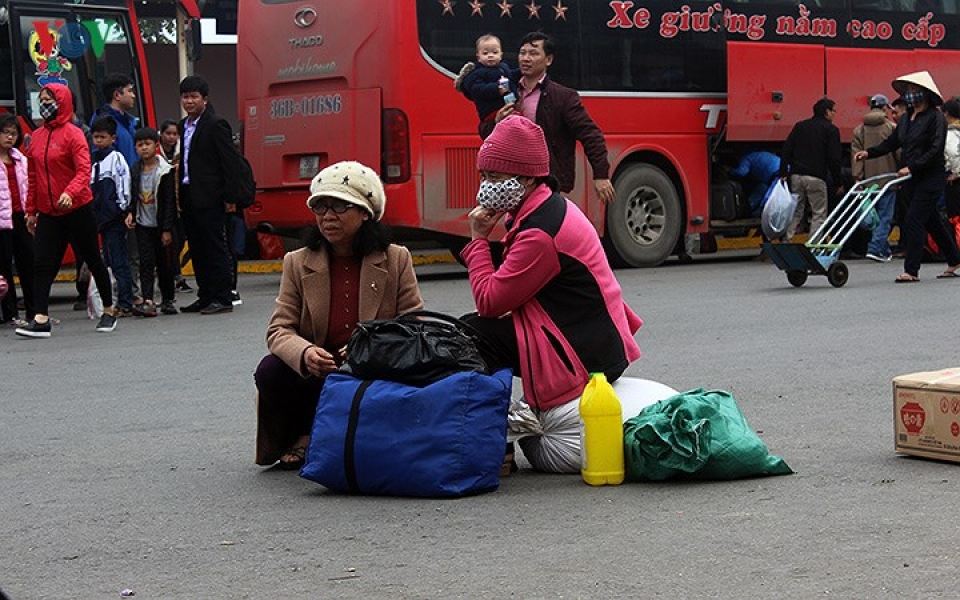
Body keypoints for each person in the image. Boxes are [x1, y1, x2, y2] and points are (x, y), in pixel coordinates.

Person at [460, 115, 642, 473]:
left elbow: (490, 301)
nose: (485, 186)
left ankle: (493, 442)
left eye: (494, 177)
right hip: (591, 341)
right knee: (478, 329)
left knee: (472, 334)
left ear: (526, 178)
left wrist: (478, 239)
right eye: (483, 176)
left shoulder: (540, 231)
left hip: (584, 358)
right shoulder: (543, 209)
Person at [254, 160, 423, 470]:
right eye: (321, 208)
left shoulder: (396, 258)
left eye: (340, 207)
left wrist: (370, 346)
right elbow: (279, 329)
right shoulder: (297, 261)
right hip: (319, 372)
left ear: (365, 213)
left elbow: (414, 324)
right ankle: (304, 433)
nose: (328, 217)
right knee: (270, 371)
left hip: (371, 371)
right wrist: (305, 354)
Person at [16, 83, 118, 337]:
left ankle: (108, 310)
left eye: (50, 99)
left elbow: (84, 171)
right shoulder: (37, 137)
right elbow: (33, 176)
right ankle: (40, 318)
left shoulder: (73, 135)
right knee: (42, 264)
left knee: (92, 259)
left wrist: (68, 193)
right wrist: (31, 211)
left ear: (62, 102)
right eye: (42, 99)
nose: (45, 104)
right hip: (49, 211)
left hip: (77, 208)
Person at [855, 71, 960, 282]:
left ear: (925, 94)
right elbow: (893, 142)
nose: (910, 95)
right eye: (908, 91)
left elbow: (935, 149)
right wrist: (869, 153)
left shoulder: (935, 118)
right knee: (931, 222)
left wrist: (911, 167)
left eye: (914, 91)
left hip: (930, 176)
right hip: (911, 177)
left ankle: (911, 270)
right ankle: (954, 258)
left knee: (913, 219)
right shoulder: (906, 120)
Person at [496, 32, 615, 204]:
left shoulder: (563, 97)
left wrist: (601, 174)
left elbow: (590, 135)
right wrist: (496, 122)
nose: (526, 58)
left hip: (547, 180)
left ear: (548, 60)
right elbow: (485, 132)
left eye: (534, 53)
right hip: (513, 177)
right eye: (523, 53)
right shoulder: (506, 90)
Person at [176, 75, 242, 315]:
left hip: (212, 196)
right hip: (189, 195)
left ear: (205, 99)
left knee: (215, 247)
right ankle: (205, 295)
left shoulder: (216, 124)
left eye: (194, 96)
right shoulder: (183, 126)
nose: (189, 101)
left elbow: (230, 163)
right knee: (197, 247)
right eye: (185, 96)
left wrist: (230, 197)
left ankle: (222, 296)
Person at [127, 127, 178, 316]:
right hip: (143, 224)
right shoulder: (135, 170)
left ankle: (167, 300)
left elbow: (169, 202)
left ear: (156, 146)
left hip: (160, 225)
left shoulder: (165, 171)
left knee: (164, 264)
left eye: (147, 144)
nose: (144, 148)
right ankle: (148, 299)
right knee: (146, 263)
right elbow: (133, 195)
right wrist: (130, 213)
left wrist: (166, 229)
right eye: (140, 145)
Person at [779, 97, 843, 241]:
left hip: (796, 176)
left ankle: (785, 241)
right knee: (818, 213)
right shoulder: (831, 130)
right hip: (816, 177)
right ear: (827, 112)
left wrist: (783, 172)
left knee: (796, 211)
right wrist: (837, 182)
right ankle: (813, 245)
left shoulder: (800, 126)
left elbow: (786, 149)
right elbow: (834, 159)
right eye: (834, 111)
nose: (835, 114)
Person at [89, 116, 135, 316]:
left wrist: (124, 209)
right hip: (101, 219)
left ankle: (126, 301)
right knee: (107, 260)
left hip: (114, 217)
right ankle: (114, 300)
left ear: (112, 138)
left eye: (102, 137)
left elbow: (123, 184)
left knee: (119, 261)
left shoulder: (116, 159)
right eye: (95, 137)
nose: (98, 141)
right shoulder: (94, 160)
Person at [851, 93, 899, 262]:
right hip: (889, 179)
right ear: (885, 108)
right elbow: (899, 152)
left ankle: (883, 249)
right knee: (885, 216)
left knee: (874, 217)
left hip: (868, 181)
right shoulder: (891, 128)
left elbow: (856, 156)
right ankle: (875, 248)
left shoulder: (859, 130)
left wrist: (858, 178)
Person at [0, 113, 32, 325]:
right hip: (2, 221)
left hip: (21, 216)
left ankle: (35, 311)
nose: (10, 137)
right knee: (3, 270)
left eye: (14, 133)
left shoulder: (21, 159)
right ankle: (10, 314)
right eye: (5, 133)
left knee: (29, 263)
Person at [456, 34, 519, 139]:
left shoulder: (504, 67)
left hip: (509, 107)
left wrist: (522, 72)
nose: (490, 55)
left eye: (495, 52)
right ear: (478, 57)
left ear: (501, 55)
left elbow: (512, 76)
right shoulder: (476, 73)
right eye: (485, 53)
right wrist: (495, 89)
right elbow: (477, 89)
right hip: (491, 112)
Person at [159, 118, 191, 293]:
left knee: (179, 241)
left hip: (180, 204)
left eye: (174, 134)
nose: (171, 138)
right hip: (163, 204)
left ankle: (173, 274)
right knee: (172, 241)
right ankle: (176, 277)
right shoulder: (156, 154)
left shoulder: (181, 154)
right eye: (168, 134)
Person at [725, 150, 781, 217]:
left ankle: (756, 214)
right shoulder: (756, 155)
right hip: (779, 170)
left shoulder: (746, 157)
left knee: (768, 199)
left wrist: (729, 170)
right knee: (762, 190)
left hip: (777, 174)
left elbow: (742, 172)